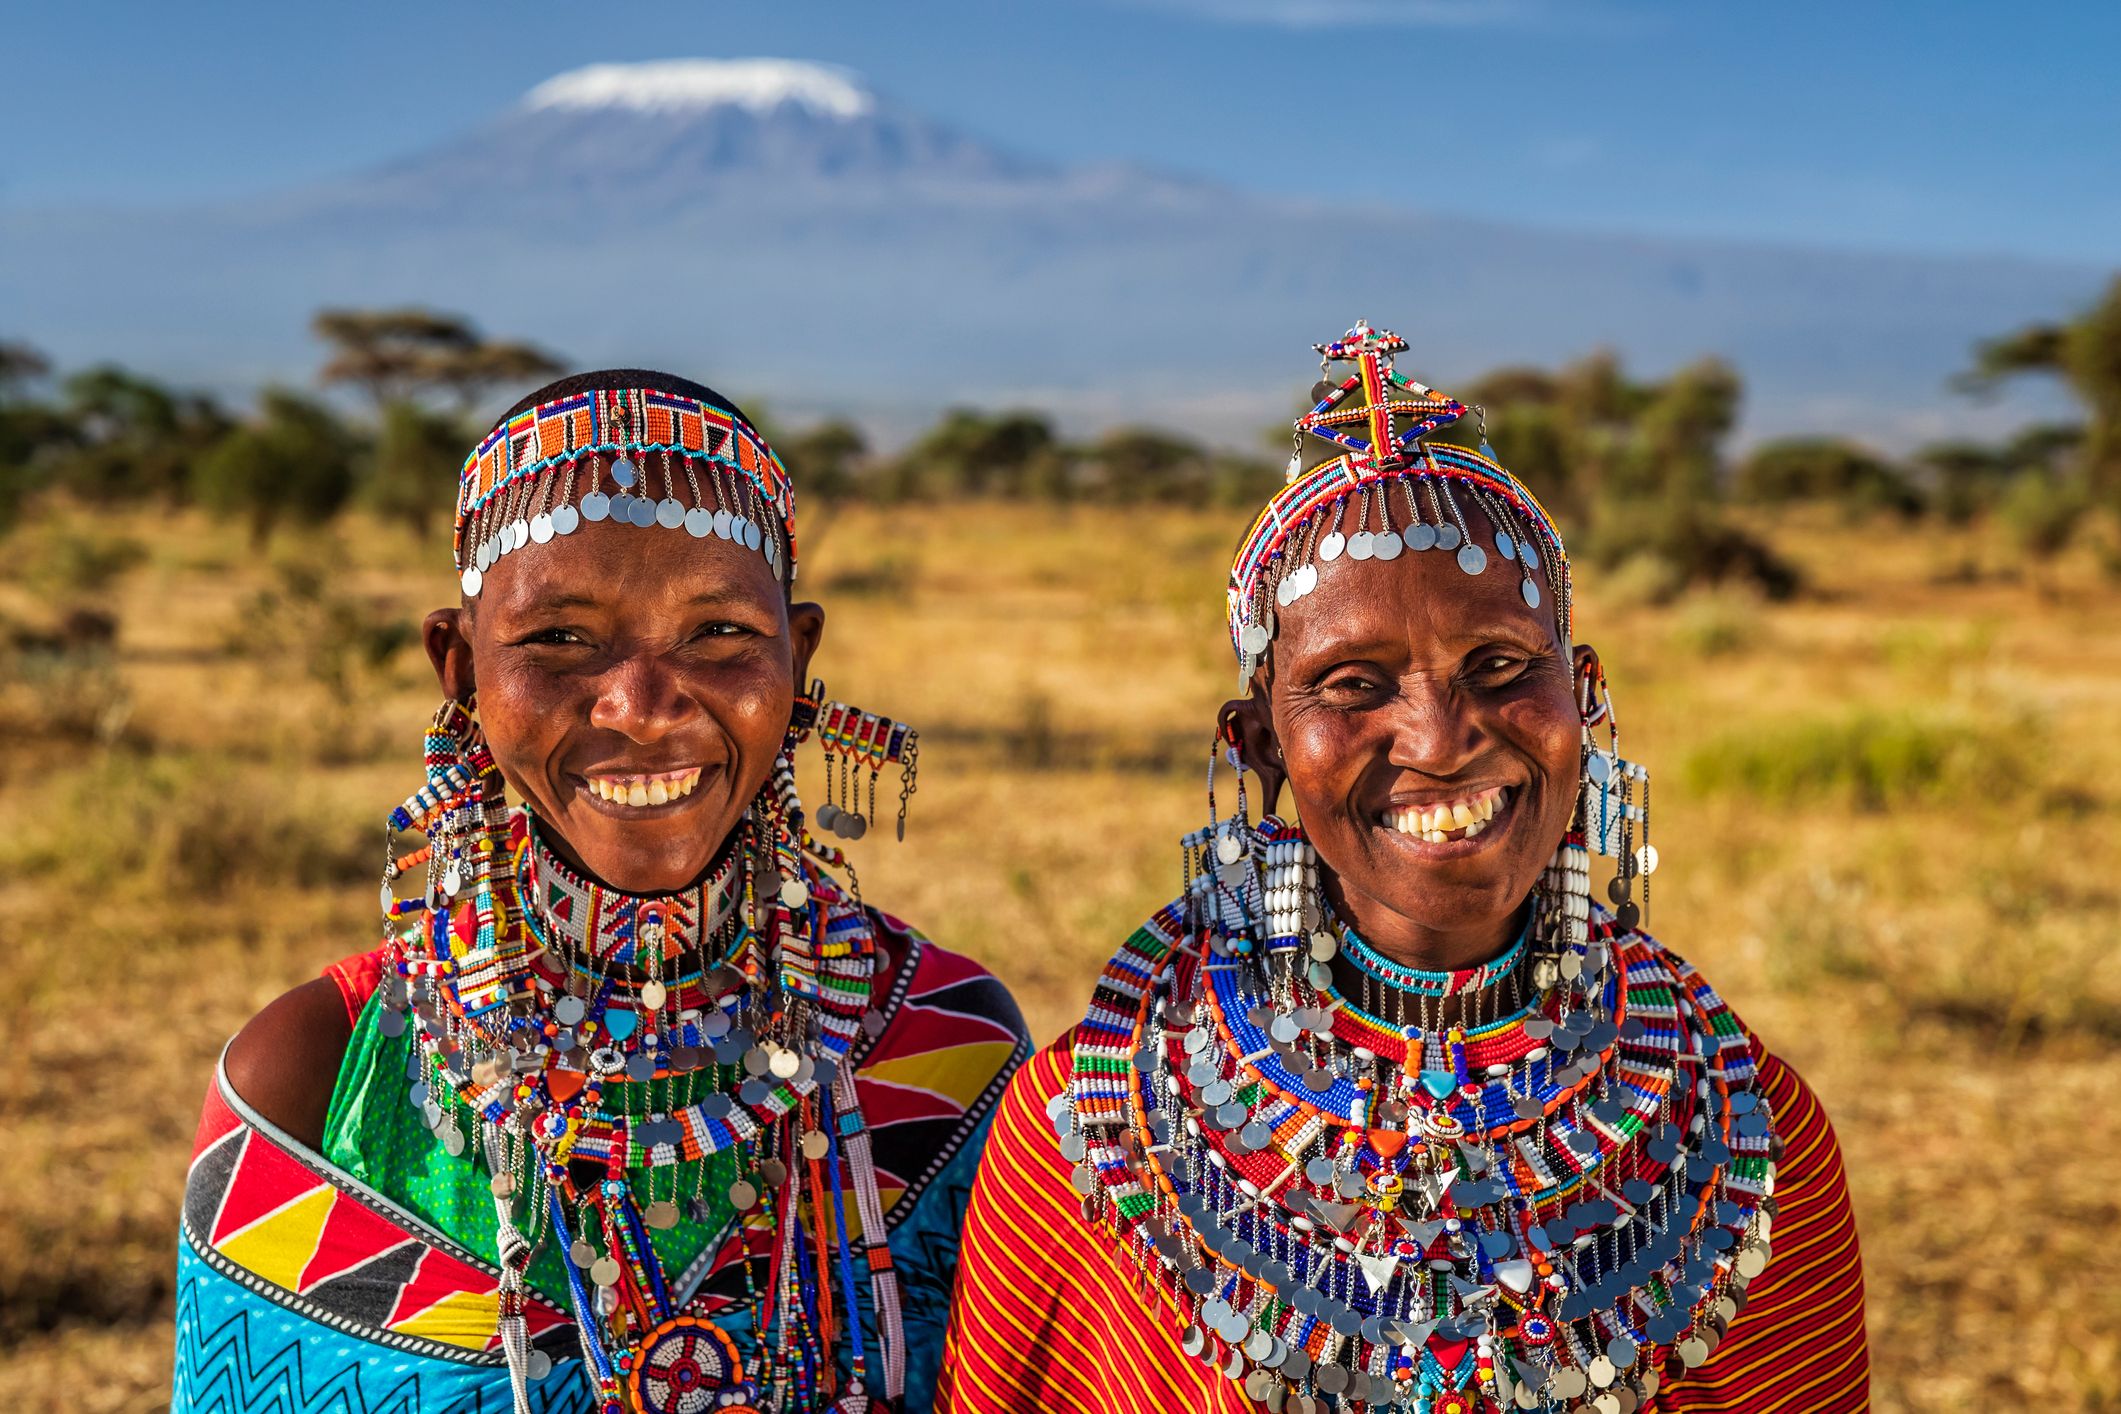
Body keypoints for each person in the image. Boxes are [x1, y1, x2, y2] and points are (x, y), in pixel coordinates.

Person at [939, 324, 1865, 1413]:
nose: (1439, 736)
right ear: (1261, 744)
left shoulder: (1746, 1137)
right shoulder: (1090, 1136)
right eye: (1352, 682)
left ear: (1587, 695)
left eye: (1501, 665)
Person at [172, 371, 1029, 1414]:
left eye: (718, 633)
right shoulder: (313, 1080)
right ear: (459, 667)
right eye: (560, 640)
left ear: (798, 659)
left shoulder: (943, 1053)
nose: (642, 706)